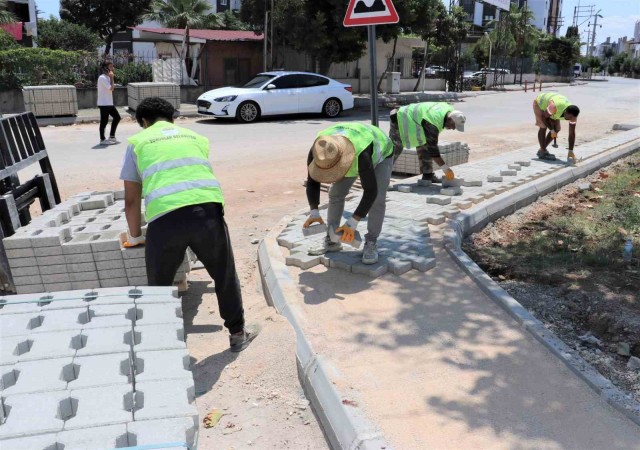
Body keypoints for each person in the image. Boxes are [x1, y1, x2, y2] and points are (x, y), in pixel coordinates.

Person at [119, 97, 257, 352]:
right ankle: (237, 334)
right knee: (223, 274)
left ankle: (161, 345)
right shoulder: (196, 138)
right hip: (207, 213)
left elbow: (131, 200)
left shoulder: (137, 143)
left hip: (165, 219)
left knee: (159, 286)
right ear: (172, 118)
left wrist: (136, 236)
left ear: (144, 122)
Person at [304, 122, 394, 265]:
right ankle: (332, 240)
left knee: (377, 199)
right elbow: (312, 180)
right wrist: (314, 212)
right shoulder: (319, 150)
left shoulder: (361, 154)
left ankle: (371, 242)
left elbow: (371, 191)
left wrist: (352, 222)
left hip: (381, 154)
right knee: (335, 193)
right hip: (346, 147)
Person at [389, 102, 466, 183]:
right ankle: (381, 177)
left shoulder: (450, 111)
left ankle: (427, 176)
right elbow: (433, 151)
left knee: (425, 144)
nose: (453, 128)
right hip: (400, 118)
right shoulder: (433, 122)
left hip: (416, 121)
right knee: (395, 149)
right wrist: (446, 169)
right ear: (450, 119)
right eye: (454, 125)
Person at [532, 92, 580, 162]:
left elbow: (571, 133)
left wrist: (570, 151)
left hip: (552, 109)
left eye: (571, 118)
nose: (570, 119)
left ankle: (542, 149)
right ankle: (542, 151)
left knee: (557, 129)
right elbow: (544, 117)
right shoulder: (553, 107)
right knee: (543, 126)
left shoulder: (573, 116)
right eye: (569, 117)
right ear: (565, 112)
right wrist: (551, 130)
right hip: (540, 103)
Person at [97, 61, 121, 146]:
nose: (112, 68)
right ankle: (102, 139)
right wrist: (112, 78)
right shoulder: (102, 78)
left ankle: (112, 136)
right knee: (104, 121)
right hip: (103, 103)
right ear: (105, 68)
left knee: (117, 117)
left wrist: (111, 78)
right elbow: (111, 88)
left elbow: (112, 87)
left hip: (109, 103)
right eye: (110, 67)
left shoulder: (107, 77)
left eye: (112, 66)